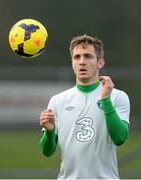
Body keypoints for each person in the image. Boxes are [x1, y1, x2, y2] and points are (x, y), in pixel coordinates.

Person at [39, 34, 130, 179]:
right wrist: (49, 133)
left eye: (88, 56)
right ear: (72, 62)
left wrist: (106, 100)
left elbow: (119, 138)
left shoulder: (117, 96)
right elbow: (47, 151)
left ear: (100, 63)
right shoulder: (58, 101)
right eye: (77, 57)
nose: (82, 62)